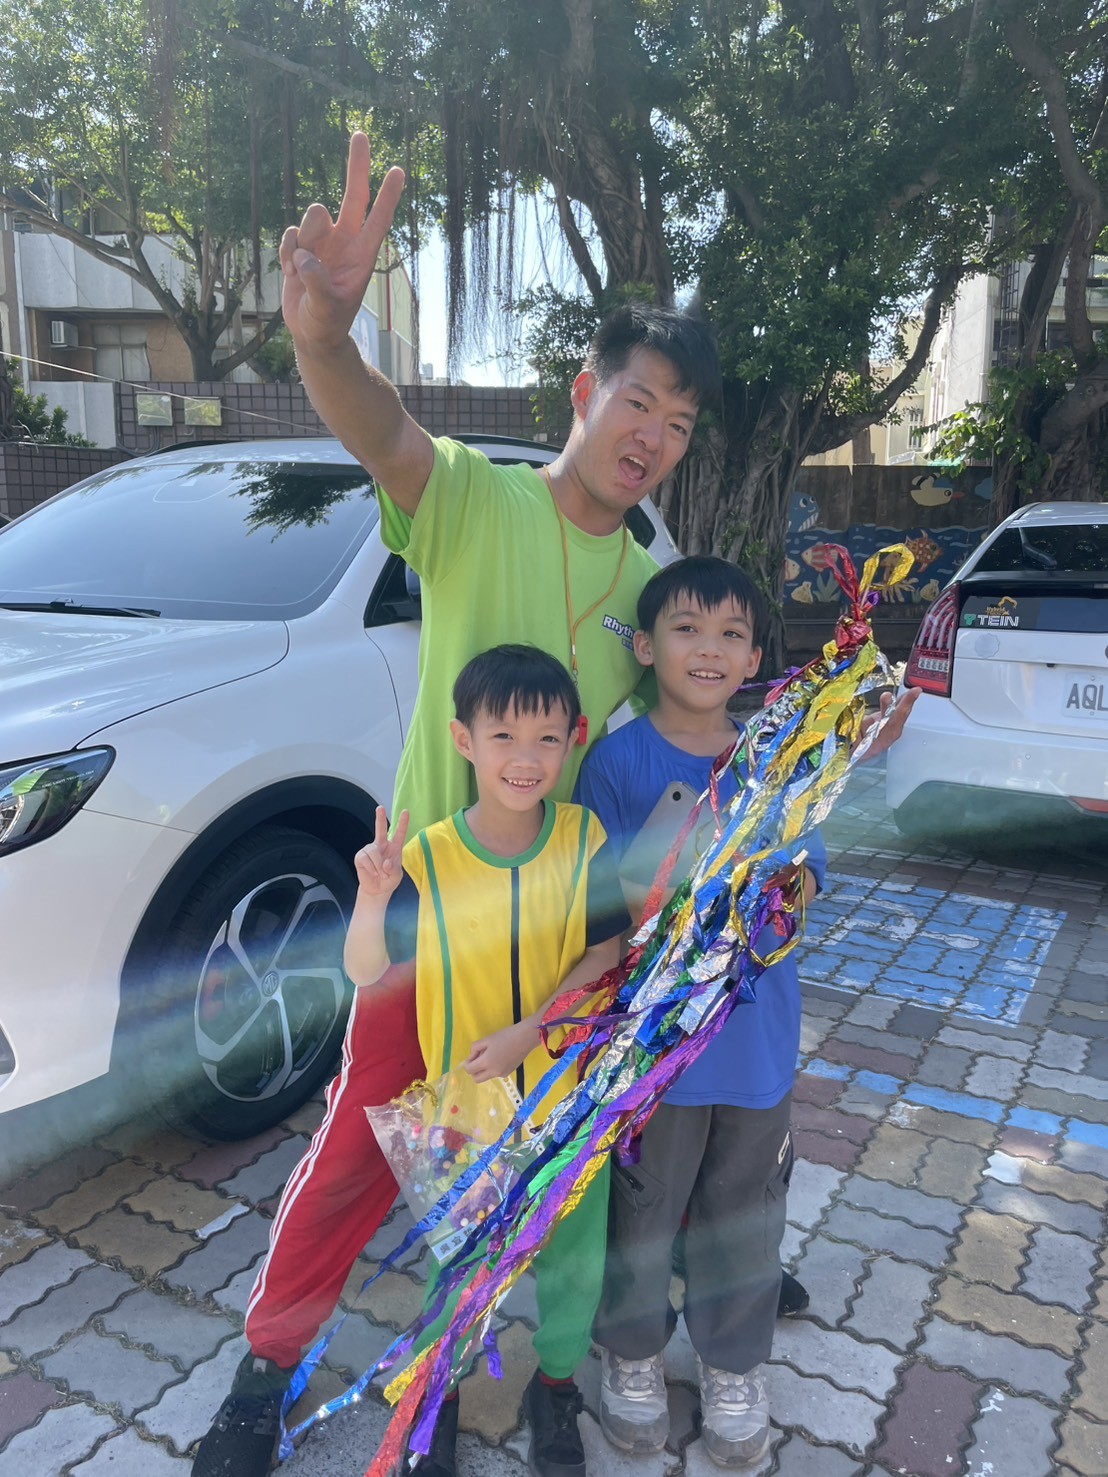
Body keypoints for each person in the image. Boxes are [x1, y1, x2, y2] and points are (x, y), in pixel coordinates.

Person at [191, 132, 720, 1477]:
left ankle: (499, 1378)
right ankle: (266, 1367)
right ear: (585, 391)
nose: (653, 438)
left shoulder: (651, 589)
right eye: (638, 403)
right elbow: (378, 425)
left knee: (532, 1166)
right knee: (356, 1156)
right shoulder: (472, 498)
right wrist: (321, 336)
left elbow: (691, 720)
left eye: (679, 424)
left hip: (558, 933)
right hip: (428, 904)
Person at [344, 645, 630, 1476]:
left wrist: (532, 1031)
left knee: (575, 1262)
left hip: (572, 1102)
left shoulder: (584, 837)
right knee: (461, 1265)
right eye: (503, 735)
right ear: (463, 740)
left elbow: (605, 953)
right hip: (461, 1114)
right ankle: (438, 1392)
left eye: (547, 738)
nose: (525, 757)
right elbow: (366, 970)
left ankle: (557, 1385)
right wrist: (371, 895)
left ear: (574, 739)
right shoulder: (428, 856)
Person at [574, 556, 828, 1469]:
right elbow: (603, 903)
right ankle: (632, 1352)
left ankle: (733, 1364)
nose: (709, 648)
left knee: (744, 1209)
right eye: (686, 628)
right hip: (654, 1047)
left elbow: (806, 875)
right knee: (643, 1207)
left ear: (755, 656)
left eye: (731, 633)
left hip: (755, 1040)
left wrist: (776, 892)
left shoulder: (775, 757)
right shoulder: (616, 762)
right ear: (646, 647)